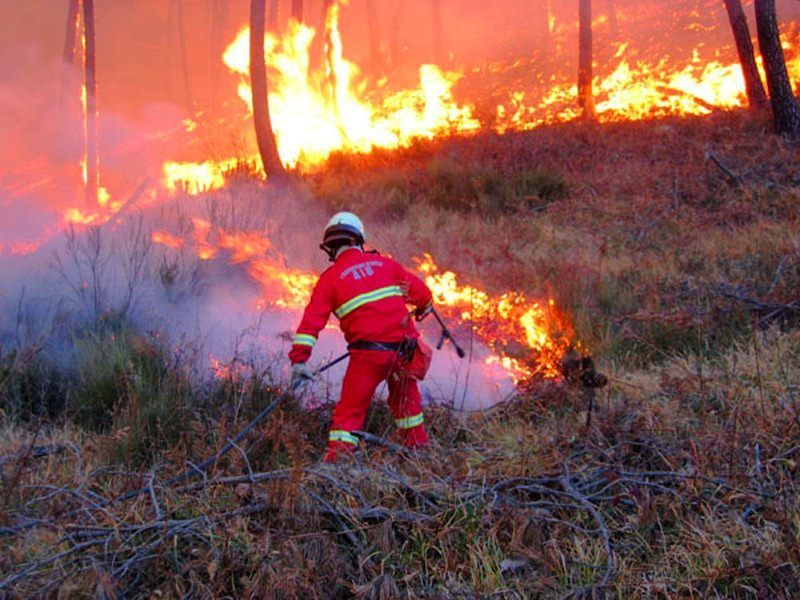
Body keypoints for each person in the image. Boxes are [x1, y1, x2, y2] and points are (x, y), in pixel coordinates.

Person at [289, 212, 433, 463]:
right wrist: (423, 308)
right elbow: (422, 294)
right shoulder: (387, 265)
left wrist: (299, 362)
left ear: (331, 249)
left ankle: (339, 466)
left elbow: (311, 324)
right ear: (359, 240)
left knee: (349, 413)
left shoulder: (329, 280)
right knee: (407, 404)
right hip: (404, 352)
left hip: (368, 357)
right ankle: (419, 455)